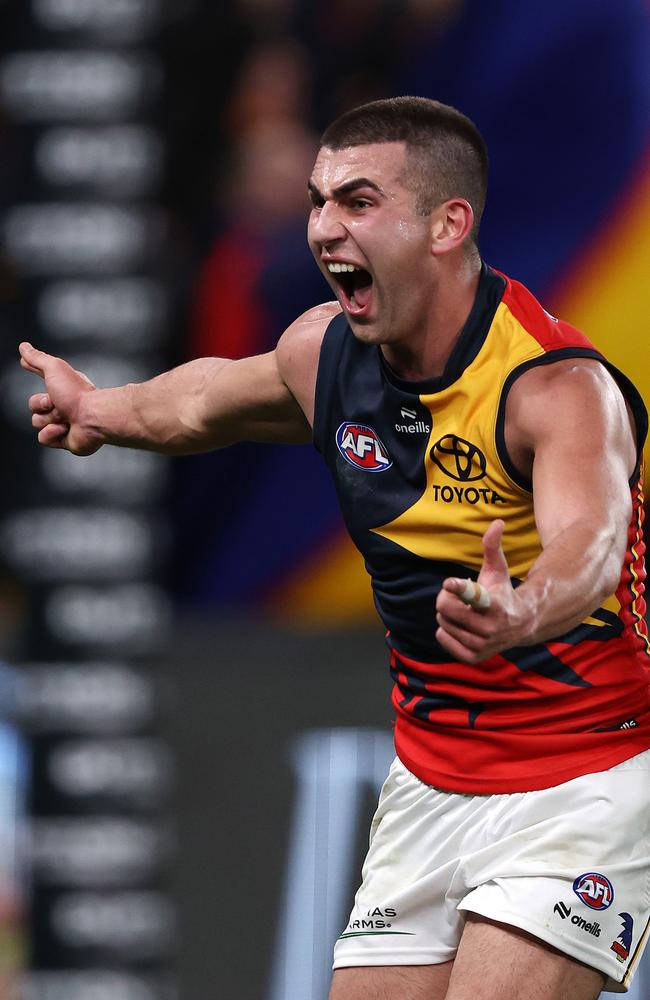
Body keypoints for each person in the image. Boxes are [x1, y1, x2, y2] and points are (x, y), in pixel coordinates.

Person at [20, 97, 650, 1000]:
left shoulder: (553, 386)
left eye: (357, 201)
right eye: (318, 201)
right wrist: (103, 411)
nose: (322, 228)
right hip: (429, 778)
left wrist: (525, 606)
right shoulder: (327, 352)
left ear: (448, 223)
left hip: (582, 780)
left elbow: (589, 545)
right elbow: (202, 402)